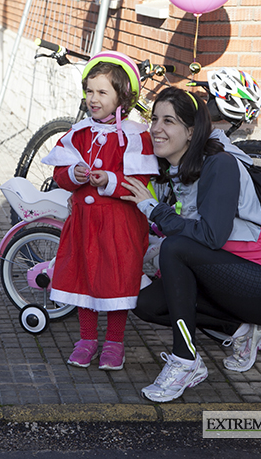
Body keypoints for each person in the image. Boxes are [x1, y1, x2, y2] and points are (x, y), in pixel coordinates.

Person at [120, 86, 261, 403]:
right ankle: (240, 332)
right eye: (154, 119)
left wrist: (155, 209)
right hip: (230, 280)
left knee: (174, 249)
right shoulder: (172, 174)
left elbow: (210, 236)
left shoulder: (220, 164)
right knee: (143, 300)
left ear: (190, 132)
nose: (157, 129)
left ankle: (185, 359)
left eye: (169, 121)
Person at [42, 51, 159, 371]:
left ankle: (115, 342)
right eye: (89, 91)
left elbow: (139, 182)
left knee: (116, 278)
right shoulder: (78, 132)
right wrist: (72, 176)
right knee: (84, 277)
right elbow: (59, 174)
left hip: (119, 225)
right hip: (83, 222)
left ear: (122, 97)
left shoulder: (135, 136)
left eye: (102, 92)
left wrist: (110, 180)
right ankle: (87, 339)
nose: (93, 99)